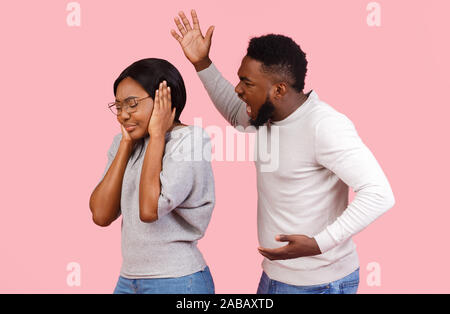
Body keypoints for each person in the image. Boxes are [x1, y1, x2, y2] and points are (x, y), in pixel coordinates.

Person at [170, 10, 395, 294]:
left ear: (278, 89)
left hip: (317, 284)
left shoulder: (324, 126)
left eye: (247, 83)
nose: (238, 89)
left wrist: (318, 244)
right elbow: (232, 108)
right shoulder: (266, 115)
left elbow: (379, 193)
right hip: (278, 277)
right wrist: (202, 63)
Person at [89, 58, 215, 294]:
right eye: (118, 106)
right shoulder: (124, 142)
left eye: (132, 104)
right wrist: (126, 145)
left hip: (177, 281)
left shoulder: (190, 140)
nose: (123, 115)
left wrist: (157, 136)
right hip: (128, 280)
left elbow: (149, 210)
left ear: (163, 100)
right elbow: (101, 214)